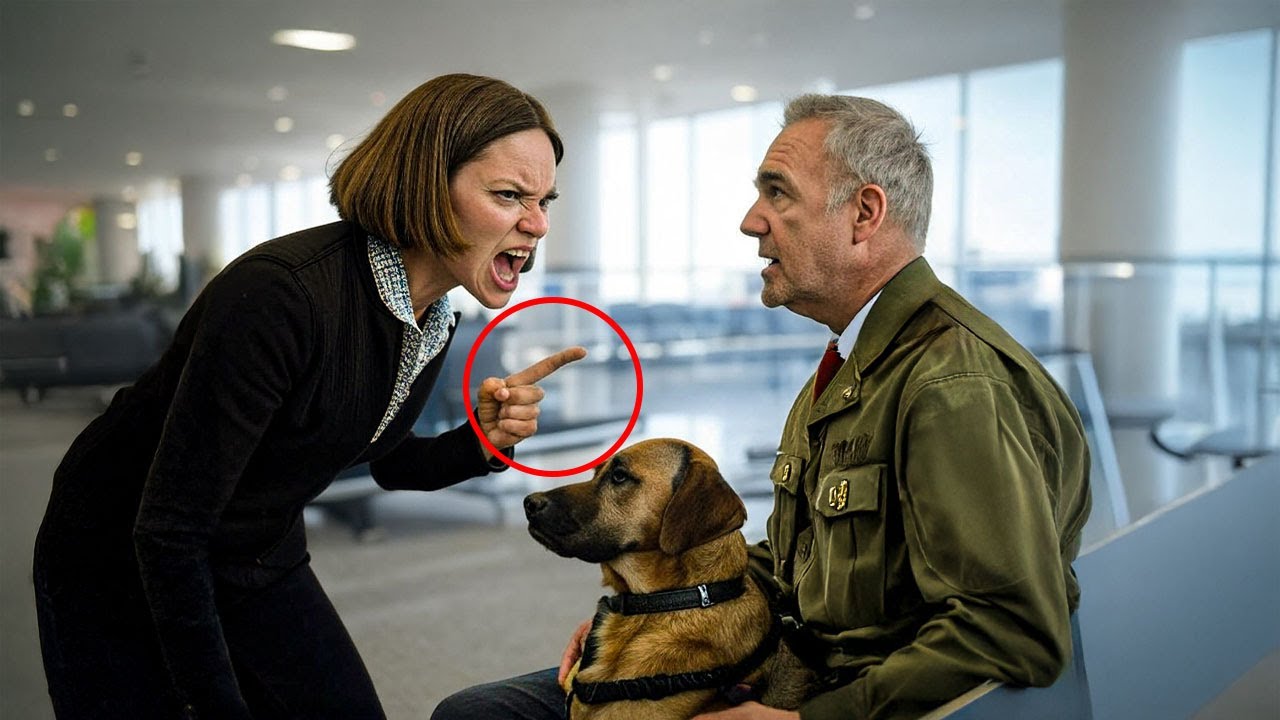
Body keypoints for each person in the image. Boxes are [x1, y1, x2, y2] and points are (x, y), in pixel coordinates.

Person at [433, 94, 1091, 720]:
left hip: (833, 694)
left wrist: (808, 718)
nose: (751, 220)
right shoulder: (848, 368)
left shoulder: (950, 385)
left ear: (864, 215)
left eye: (776, 192)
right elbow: (797, 564)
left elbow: (1012, 631)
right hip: (772, 660)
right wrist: (652, 612)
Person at [33, 73, 586, 719]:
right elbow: (169, 529)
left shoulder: (432, 314)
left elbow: (383, 457)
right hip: (119, 551)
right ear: (424, 186)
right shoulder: (282, 295)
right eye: (509, 195)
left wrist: (481, 441)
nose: (538, 223)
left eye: (545, 199)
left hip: (258, 545)